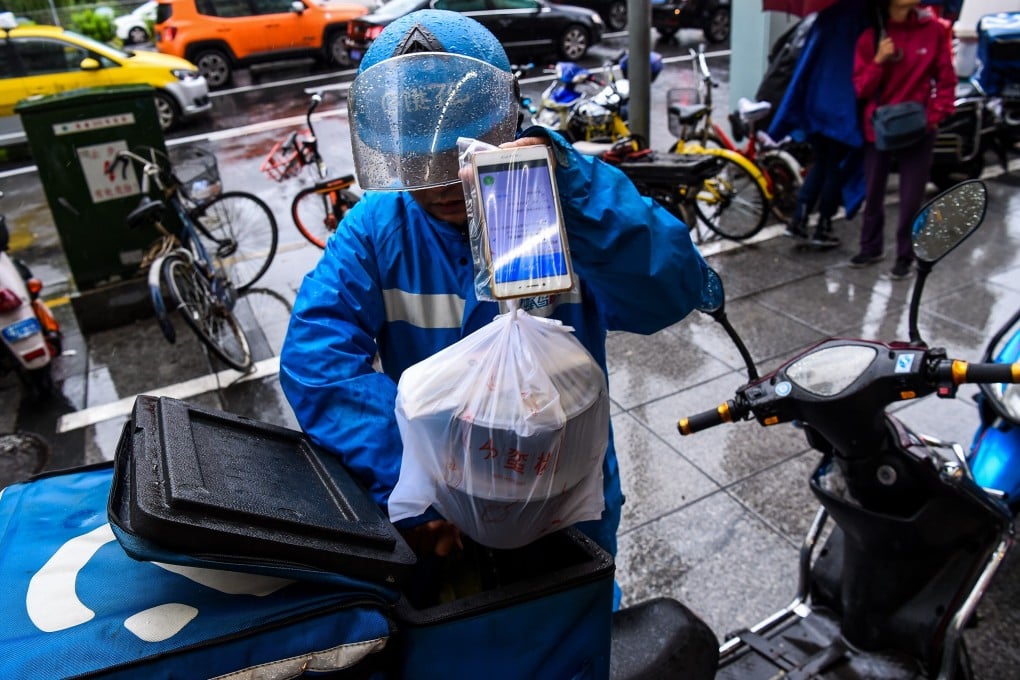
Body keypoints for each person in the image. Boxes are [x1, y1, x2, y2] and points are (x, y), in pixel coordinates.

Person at [279, 10, 713, 564]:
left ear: (506, 121)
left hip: (566, 497)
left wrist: (572, 190)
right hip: (443, 511)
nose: (437, 183)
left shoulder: (563, 204)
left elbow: (669, 290)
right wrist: (413, 476)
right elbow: (317, 358)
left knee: (575, 632)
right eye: (415, 161)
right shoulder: (375, 229)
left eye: (454, 154)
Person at [851, 0, 955, 279]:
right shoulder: (871, 37)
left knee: (912, 197)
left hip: (918, 129)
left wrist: (933, 116)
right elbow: (861, 88)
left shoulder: (933, 30)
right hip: (880, 127)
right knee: (873, 192)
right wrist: (878, 61)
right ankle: (870, 247)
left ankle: (905, 256)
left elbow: (946, 79)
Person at [768, 0, 866, 250]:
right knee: (833, 166)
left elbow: (806, 63)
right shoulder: (863, 19)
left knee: (821, 162)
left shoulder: (826, 16)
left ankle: (799, 218)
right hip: (842, 106)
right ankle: (824, 224)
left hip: (815, 103)